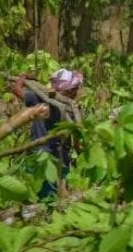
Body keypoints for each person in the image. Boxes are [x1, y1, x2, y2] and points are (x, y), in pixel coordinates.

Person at [11, 67, 82, 200]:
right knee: (52, 198)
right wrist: (80, 155)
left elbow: (17, 90)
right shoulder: (72, 109)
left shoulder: (41, 98)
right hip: (56, 158)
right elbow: (77, 141)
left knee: (38, 195)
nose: (77, 91)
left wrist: (22, 78)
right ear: (70, 91)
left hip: (41, 154)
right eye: (76, 88)